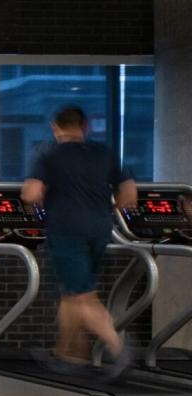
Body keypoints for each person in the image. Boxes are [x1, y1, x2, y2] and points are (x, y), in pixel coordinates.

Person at [22, 104, 138, 379]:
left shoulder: (48, 152)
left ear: (55, 127)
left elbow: (31, 193)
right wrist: (109, 210)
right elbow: (130, 193)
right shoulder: (103, 152)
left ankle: (117, 345)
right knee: (71, 294)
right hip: (99, 228)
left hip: (66, 228)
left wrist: (39, 202)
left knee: (82, 295)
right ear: (85, 127)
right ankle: (67, 353)